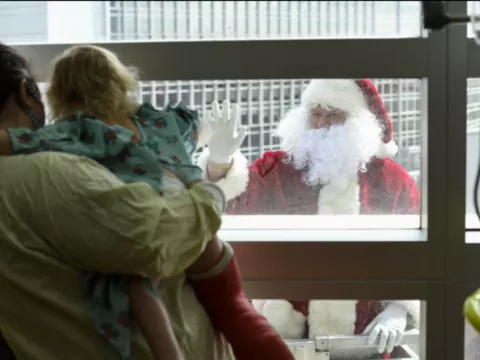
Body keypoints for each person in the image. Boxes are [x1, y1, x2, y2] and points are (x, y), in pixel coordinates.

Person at [0, 43, 293, 360]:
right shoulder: (157, 121)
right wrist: (213, 188)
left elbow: (14, 141)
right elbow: (196, 131)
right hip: (187, 212)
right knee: (237, 311)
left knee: (139, 290)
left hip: (171, 227)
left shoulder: (65, 136)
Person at [197, 79, 422, 357]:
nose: (322, 123)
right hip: (287, 338)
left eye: (334, 115)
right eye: (316, 113)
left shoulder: (392, 181)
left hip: (365, 343)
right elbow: (230, 205)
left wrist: (399, 309)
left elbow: (412, 255)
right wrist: (219, 163)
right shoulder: (277, 169)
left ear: (359, 124)